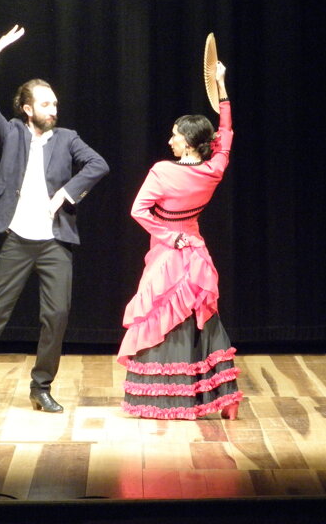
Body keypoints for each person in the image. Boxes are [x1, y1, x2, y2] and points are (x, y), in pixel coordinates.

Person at [0, 25, 109, 415]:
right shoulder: (12, 132)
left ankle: (41, 387)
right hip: (18, 239)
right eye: (46, 104)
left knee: (56, 315)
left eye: (55, 104)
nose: (54, 110)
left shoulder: (67, 138)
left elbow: (98, 164)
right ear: (28, 109)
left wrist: (66, 193)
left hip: (54, 242)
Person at [117, 60, 243, 420]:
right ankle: (222, 398)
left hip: (169, 253)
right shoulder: (214, 170)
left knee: (161, 316)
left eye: (175, 135)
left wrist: (170, 237)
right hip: (196, 252)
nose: (170, 139)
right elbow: (225, 134)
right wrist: (222, 88)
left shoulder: (162, 172)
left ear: (188, 142)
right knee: (203, 319)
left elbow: (138, 211)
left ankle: (163, 398)